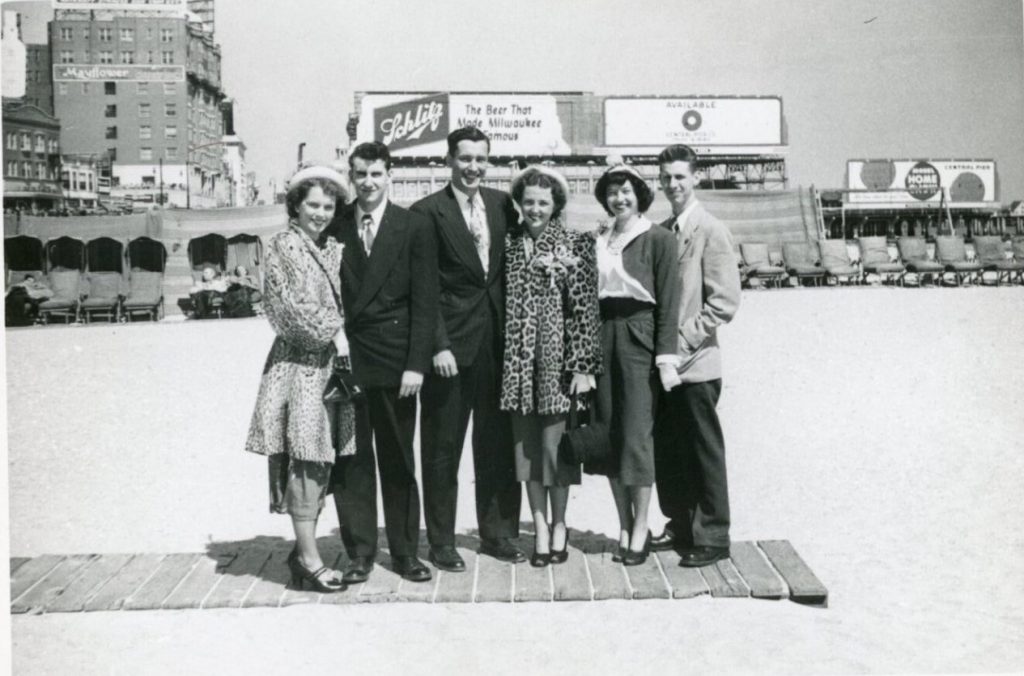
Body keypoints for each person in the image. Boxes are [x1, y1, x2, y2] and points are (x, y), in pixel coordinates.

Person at [323, 142, 438, 584]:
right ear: (350, 177)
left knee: (397, 457)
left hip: (396, 363)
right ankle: (360, 553)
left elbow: (425, 302)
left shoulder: (413, 226)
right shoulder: (334, 227)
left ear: (390, 174)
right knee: (352, 460)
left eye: (376, 173)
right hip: (349, 359)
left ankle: (406, 552)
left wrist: (416, 364)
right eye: (360, 174)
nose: (368, 183)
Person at [411, 127, 525, 570]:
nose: (473, 166)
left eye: (481, 158)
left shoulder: (502, 206)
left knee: (496, 445)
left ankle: (497, 534)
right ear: (449, 160)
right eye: (465, 158)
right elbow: (423, 288)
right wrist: (437, 345)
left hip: (498, 347)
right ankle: (441, 541)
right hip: (449, 353)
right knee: (442, 449)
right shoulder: (426, 213)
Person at [245, 164, 354, 593]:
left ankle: (303, 551)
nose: (321, 213)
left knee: (322, 454)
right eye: (313, 204)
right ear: (295, 205)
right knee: (307, 455)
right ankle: (309, 559)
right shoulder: (284, 247)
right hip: (300, 364)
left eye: (328, 206)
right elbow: (288, 310)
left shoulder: (325, 247)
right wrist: (338, 333)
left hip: (325, 365)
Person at [500, 165, 602, 567]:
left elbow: (585, 312)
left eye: (543, 202)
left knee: (555, 452)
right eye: (529, 202)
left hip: (557, 368)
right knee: (526, 453)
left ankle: (560, 524)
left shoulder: (576, 245)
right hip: (518, 366)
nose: (535, 209)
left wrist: (581, 366)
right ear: (519, 205)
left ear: (556, 205)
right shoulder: (509, 245)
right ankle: (539, 526)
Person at [651, 144, 741, 567]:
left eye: (680, 177)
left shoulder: (712, 229)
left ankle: (713, 536)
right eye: (666, 177)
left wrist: (679, 344)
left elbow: (723, 303)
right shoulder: (662, 229)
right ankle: (681, 526)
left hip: (697, 365)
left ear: (696, 178)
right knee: (670, 451)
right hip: (665, 366)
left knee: (704, 452)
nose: (672, 184)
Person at [592, 161, 681, 566]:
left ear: (640, 195)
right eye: (612, 191)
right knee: (610, 431)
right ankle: (624, 525)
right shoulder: (599, 237)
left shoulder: (658, 238)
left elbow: (669, 302)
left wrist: (665, 358)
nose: (619, 198)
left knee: (637, 436)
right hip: (603, 333)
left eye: (626, 190)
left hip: (639, 336)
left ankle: (642, 527)